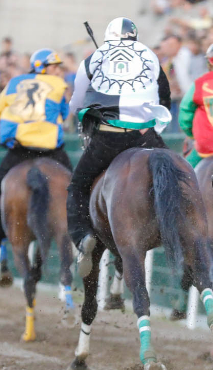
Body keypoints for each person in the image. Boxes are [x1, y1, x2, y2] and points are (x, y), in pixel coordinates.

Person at [66, 18, 173, 276]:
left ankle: (83, 238)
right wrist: (152, 129)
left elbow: (76, 102)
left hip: (106, 138)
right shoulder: (150, 55)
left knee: (78, 186)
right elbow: (165, 98)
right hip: (144, 136)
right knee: (174, 175)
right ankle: (181, 229)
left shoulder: (93, 58)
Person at [0, 49, 72, 249]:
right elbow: (64, 114)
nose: (58, 71)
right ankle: (80, 232)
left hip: (20, 149)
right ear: (42, 67)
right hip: (51, 151)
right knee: (76, 188)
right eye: (55, 67)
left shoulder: (14, 83)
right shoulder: (59, 85)